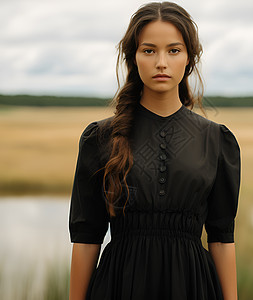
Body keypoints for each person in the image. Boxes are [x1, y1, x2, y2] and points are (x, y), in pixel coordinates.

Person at [69, 2, 240, 299]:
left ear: (189, 58)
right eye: (149, 50)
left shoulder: (216, 140)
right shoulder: (100, 138)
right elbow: (86, 238)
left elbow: (222, 239)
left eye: (173, 50)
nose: (162, 62)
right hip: (118, 287)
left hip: (193, 287)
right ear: (133, 58)